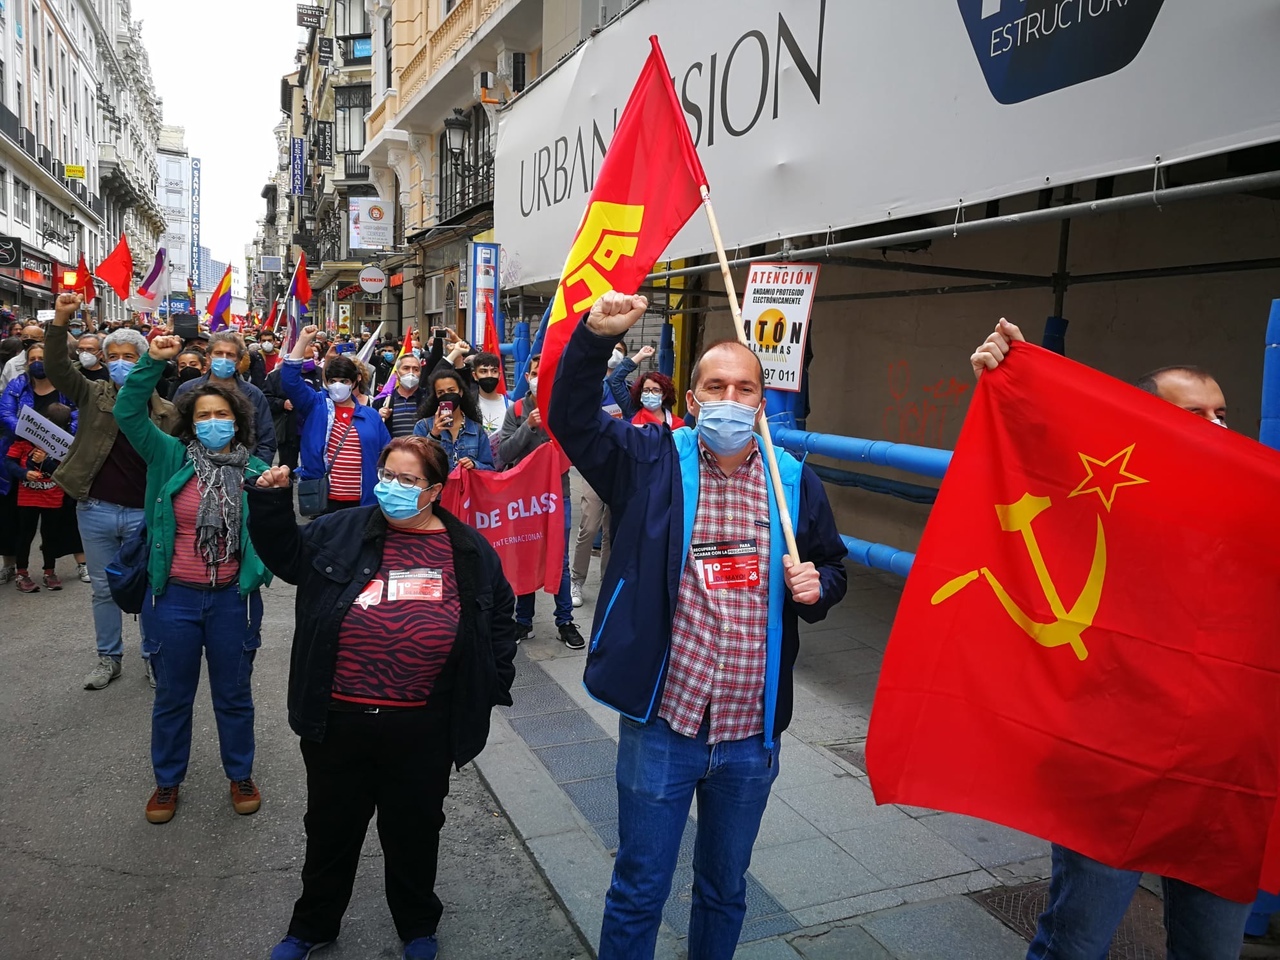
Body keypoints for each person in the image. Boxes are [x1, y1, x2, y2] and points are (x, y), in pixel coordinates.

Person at [548, 291, 848, 960]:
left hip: (750, 734)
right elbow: (570, 419)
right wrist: (594, 339)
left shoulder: (794, 482)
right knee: (639, 887)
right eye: (717, 385)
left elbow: (832, 568)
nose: (732, 399)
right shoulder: (650, 460)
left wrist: (817, 587)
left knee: (724, 888)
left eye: (746, 388)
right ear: (693, 395)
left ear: (762, 402)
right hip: (666, 725)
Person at [970, 318, 1250, 960]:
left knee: (1212, 950)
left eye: (1222, 413)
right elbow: (1023, 468)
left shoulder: (1255, 514)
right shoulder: (1099, 503)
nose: (1215, 426)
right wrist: (1003, 384)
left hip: (1220, 774)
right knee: (1077, 941)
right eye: (1194, 413)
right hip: (1112, 765)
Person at [247, 436, 517, 960]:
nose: (392, 487)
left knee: (415, 830)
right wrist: (271, 503)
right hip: (338, 718)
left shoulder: (469, 550)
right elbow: (287, 558)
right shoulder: (340, 529)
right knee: (330, 829)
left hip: (422, 726)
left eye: (408, 480)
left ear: (435, 490)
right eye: (387, 475)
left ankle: (417, 925)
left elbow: (499, 619)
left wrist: (490, 684)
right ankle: (312, 925)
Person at [113, 333, 271, 825]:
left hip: (232, 603)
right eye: (202, 415)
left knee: (234, 696)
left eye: (221, 415)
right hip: (175, 600)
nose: (212, 423)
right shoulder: (169, 457)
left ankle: (240, 773)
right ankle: (167, 782)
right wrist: (150, 363)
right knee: (172, 696)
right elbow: (127, 414)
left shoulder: (257, 469)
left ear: (238, 422)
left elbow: (277, 538)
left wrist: (275, 502)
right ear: (189, 422)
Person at [44, 293, 180, 691]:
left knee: (154, 587)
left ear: (147, 362)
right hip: (97, 509)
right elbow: (55, 366)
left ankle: (153, 657)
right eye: (113, 356)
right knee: (103, 589)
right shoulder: (92, 394)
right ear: (104, 361)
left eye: (130, 356)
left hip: (146, 514)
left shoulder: (168, 412)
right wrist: (61, 320)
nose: (121, 363)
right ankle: (109, 658)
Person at [496, 355, 586, 649]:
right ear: (527, 376)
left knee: (559, 559)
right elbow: (505, 453)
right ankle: (523, 621)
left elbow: (576, 447)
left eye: (543, 373)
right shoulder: (518, 410)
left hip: (558, 496)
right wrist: (528, 427)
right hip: (525, 499)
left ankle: (565, 621)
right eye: (534, 372)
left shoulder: (562, 408)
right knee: (525, 555)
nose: (537, 377)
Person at [282, 324, 390, 512]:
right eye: (333, 381)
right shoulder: (315, 405)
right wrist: (303, 341)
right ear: (326, 382)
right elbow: (290, 381)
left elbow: (387, 455)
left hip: (363, 502)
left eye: (344, 381)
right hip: (324, 500)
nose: (338, 385)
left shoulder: (371, 415)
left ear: (355, 381)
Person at [5, 402, 80, 592]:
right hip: (28, 497)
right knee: (25, 535)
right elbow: (9, 462)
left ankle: (50, 571)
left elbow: (64, 472)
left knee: (50, 536)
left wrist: (45, 462)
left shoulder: (65, 445)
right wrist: (24, 474)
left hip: (53, 496)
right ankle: (22, 573)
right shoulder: (24, 441)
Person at [173, 331, 277, 464]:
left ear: (238, 362)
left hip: (243, 472)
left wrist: (254, 475)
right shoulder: (187, 390)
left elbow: (267, 440)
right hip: (194, 469)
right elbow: (175, 433)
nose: (223, 358)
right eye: (218, 353)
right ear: (208, 358)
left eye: (230, 355)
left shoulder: (254, 394)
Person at [413, 368, 494, 472]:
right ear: (436, 396)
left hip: (466, 487)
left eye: (451, 390)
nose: (447, 395)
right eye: (441, 392)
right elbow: (416, 464)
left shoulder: (476, 429)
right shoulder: (423, 426)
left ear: (460, 392)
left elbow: (490, 468)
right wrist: (434, 435)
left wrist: (474, 465)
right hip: (439, 487)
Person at [264, 350, 321, 472]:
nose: (308, 361)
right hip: (289, 431)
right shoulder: (276, 376)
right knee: (286, 468)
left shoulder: (320, 374)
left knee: (314, 468)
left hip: (313, 431)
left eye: (310, 357)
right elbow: (265, 398)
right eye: (304, 358)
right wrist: (282, 404)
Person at [372, 353, 425, 439]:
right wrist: (378, 418)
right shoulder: (382, 401)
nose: (411, 373)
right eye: (406, 368)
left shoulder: (427, 398)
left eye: (416, 369)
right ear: (396, 374)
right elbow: (372, 432)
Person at [472, 351, 512, 437]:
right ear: (475, 376)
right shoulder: (469, 405)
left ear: (499, 375)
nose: (489, 375)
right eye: (483, 371)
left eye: (494, 371)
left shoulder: (511, 406)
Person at [0, 321, 43, 389]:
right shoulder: (12, 364)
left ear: (43, 340)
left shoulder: (52, 361)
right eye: (25, 337)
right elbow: (3, 390)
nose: (29, 339)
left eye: (34, 337)